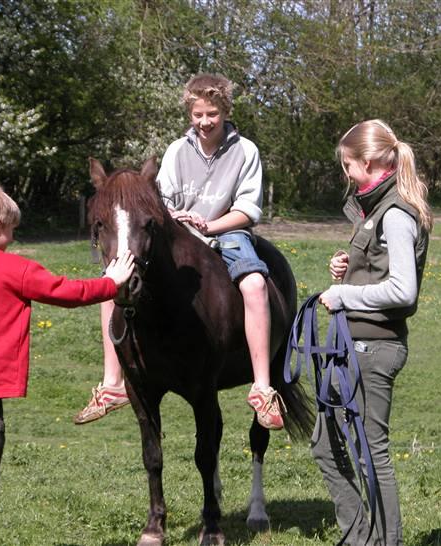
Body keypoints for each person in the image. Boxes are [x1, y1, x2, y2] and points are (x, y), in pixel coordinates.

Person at [0, 179, 135, 546]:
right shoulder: (11, 267)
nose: (14, 238)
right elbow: (66, 291)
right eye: (12, 230)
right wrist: (111, 283)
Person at [73, 73, 285, 430]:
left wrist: (209, 224)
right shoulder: (176, 150)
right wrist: (175, 220)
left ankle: (262, 387)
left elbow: (248, 209)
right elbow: (159, 204)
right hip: (179, 234)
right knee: (113, 283)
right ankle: (112, 384)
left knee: (254, 285)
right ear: (190, 113)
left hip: (227, 233)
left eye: (212, 114)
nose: (205, 122)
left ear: (225, 111)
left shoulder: (245, 151)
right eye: (198, 114)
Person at [314, 119, 432, 546]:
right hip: (351, 344)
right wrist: (346, 272)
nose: (345, 173)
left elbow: (403, 290)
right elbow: (380, 273)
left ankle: (387, 542)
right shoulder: (374, 209)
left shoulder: (397, 213)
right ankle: (360, 539)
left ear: (366, 162)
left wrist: (344, 297)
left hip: (373, 346)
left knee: (370, 452)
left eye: (347, 165)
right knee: (327, 444)